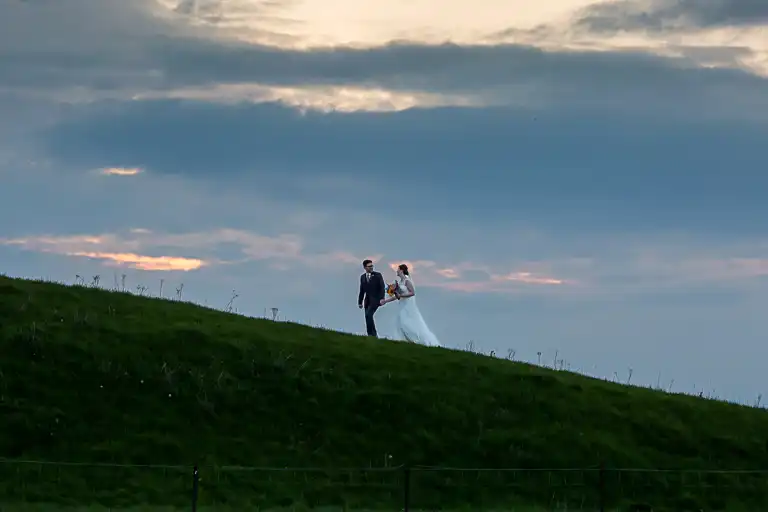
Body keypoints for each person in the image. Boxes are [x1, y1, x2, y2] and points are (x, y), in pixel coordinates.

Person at [379, 264, 441, 347]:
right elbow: (396, 296)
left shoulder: (407, 281)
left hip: (408, 306)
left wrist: (401, 296)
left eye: (398, 269)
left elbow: (412, 292)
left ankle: (417, 340)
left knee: (407, 323)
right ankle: (404, 341)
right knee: (401, 322)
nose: (396, 271)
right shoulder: (400, 282)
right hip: (401, 305)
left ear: (401, 270)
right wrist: (386, 301)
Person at [358, 259, 386, 337]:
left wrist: (382, 298)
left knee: (368, 315)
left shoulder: (378, 275)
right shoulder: (362, 277)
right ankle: (370, 334)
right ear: (365, 267)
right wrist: (360, 302)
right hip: (367, 301)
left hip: (376, 300)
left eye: (372, 266)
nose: (371, 267)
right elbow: (362, 290)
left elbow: (382, 287)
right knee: (367, 317)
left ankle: (373, 334)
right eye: (369, 266)